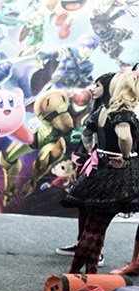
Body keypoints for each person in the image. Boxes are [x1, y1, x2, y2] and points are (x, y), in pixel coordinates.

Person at [64, 71, 139, 274]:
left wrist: (95, 152)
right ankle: (73, 276)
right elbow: (124, 137)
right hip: (114, 177)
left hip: (98, 171)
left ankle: (89, 275)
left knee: (94, 229)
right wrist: (126, 157)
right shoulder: (123, 113)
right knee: (94, 230)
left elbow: (87, 133)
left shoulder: (104, 110)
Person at [56, 72, 114, 262]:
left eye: (98, 85)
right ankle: (82, 244)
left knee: (98, 210)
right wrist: (77, 163)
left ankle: (96, 251)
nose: (93, 89)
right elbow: (85, 139)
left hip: (105, 168)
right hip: (90, 165)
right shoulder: (98, 108)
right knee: (84, 206)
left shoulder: (115, 111)